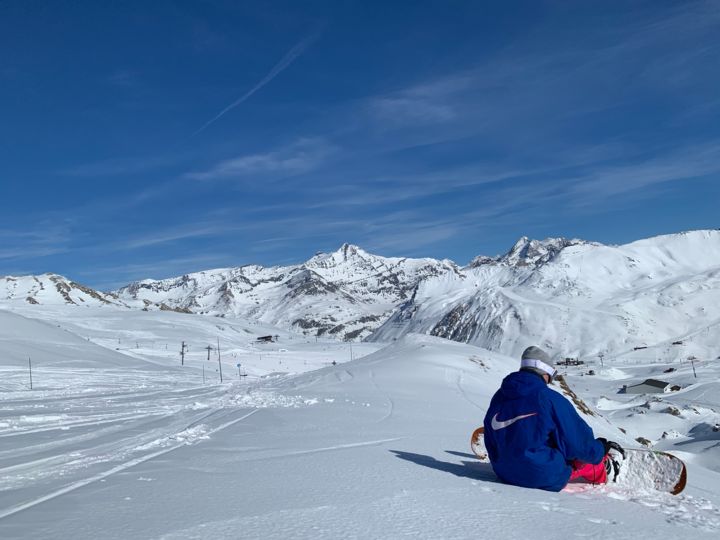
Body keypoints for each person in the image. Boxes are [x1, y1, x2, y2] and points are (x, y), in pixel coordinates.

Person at [483, 345, 624, 492]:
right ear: (545, 372)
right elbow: (578, 444)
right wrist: (600, 449)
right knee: (583, 458)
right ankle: (604, 471)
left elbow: (489, 430)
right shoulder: (548, 399)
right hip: (541, 475)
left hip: (503, 472)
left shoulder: (500, 396)